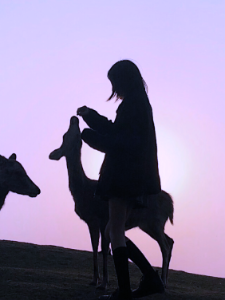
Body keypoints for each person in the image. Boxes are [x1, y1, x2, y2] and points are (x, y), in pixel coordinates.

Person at [77, 60, 164, 300]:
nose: (114, 89)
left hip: (124, 177)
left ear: (123, 81)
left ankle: (126, 291)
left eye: (114, 83)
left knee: (113, 229)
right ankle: (150, 278)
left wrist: (88, 136)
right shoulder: (139, 105)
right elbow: (118, 132)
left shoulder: (133, 106)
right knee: (112, 230)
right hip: (134, 177)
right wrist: (90, 117)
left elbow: (120, 141)